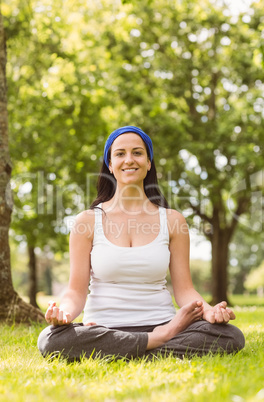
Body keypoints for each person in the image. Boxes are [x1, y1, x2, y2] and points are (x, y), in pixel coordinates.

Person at [38, 126, 245, 361]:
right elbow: (76, 292)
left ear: (148, 163)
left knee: (231, 336)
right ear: (110, 164)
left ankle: (125, 350)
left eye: (137, 153)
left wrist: (210, 311)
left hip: (162, 322)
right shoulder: (86, 221)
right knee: (50, 339)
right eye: (120, 154)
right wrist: (63, 313)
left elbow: (185, 290)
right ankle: (155, 343)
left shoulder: (172, 220)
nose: (129, 160)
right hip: (107, 329)